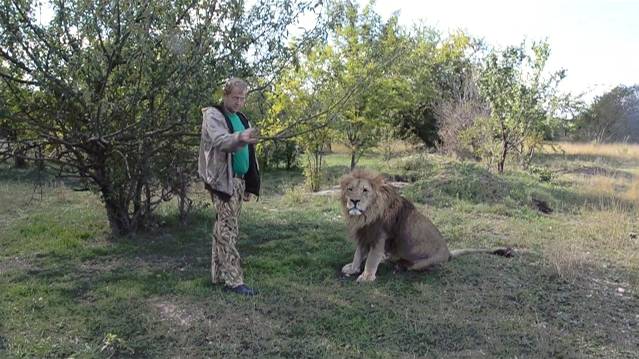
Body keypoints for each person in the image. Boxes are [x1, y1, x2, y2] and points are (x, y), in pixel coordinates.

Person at [198, 77, 260, 296]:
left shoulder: (242, 118)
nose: (239, 102)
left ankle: (218, 276)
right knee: (228, 230)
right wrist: (241, 137)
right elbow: (220, 141)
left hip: (239, 181)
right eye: (235, 97)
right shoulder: (213, 115)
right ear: (224, 95)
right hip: (223, 181)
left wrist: (249, 185)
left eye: (243, 98)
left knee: (223, 228)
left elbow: (249, 154)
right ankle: (234, 281)